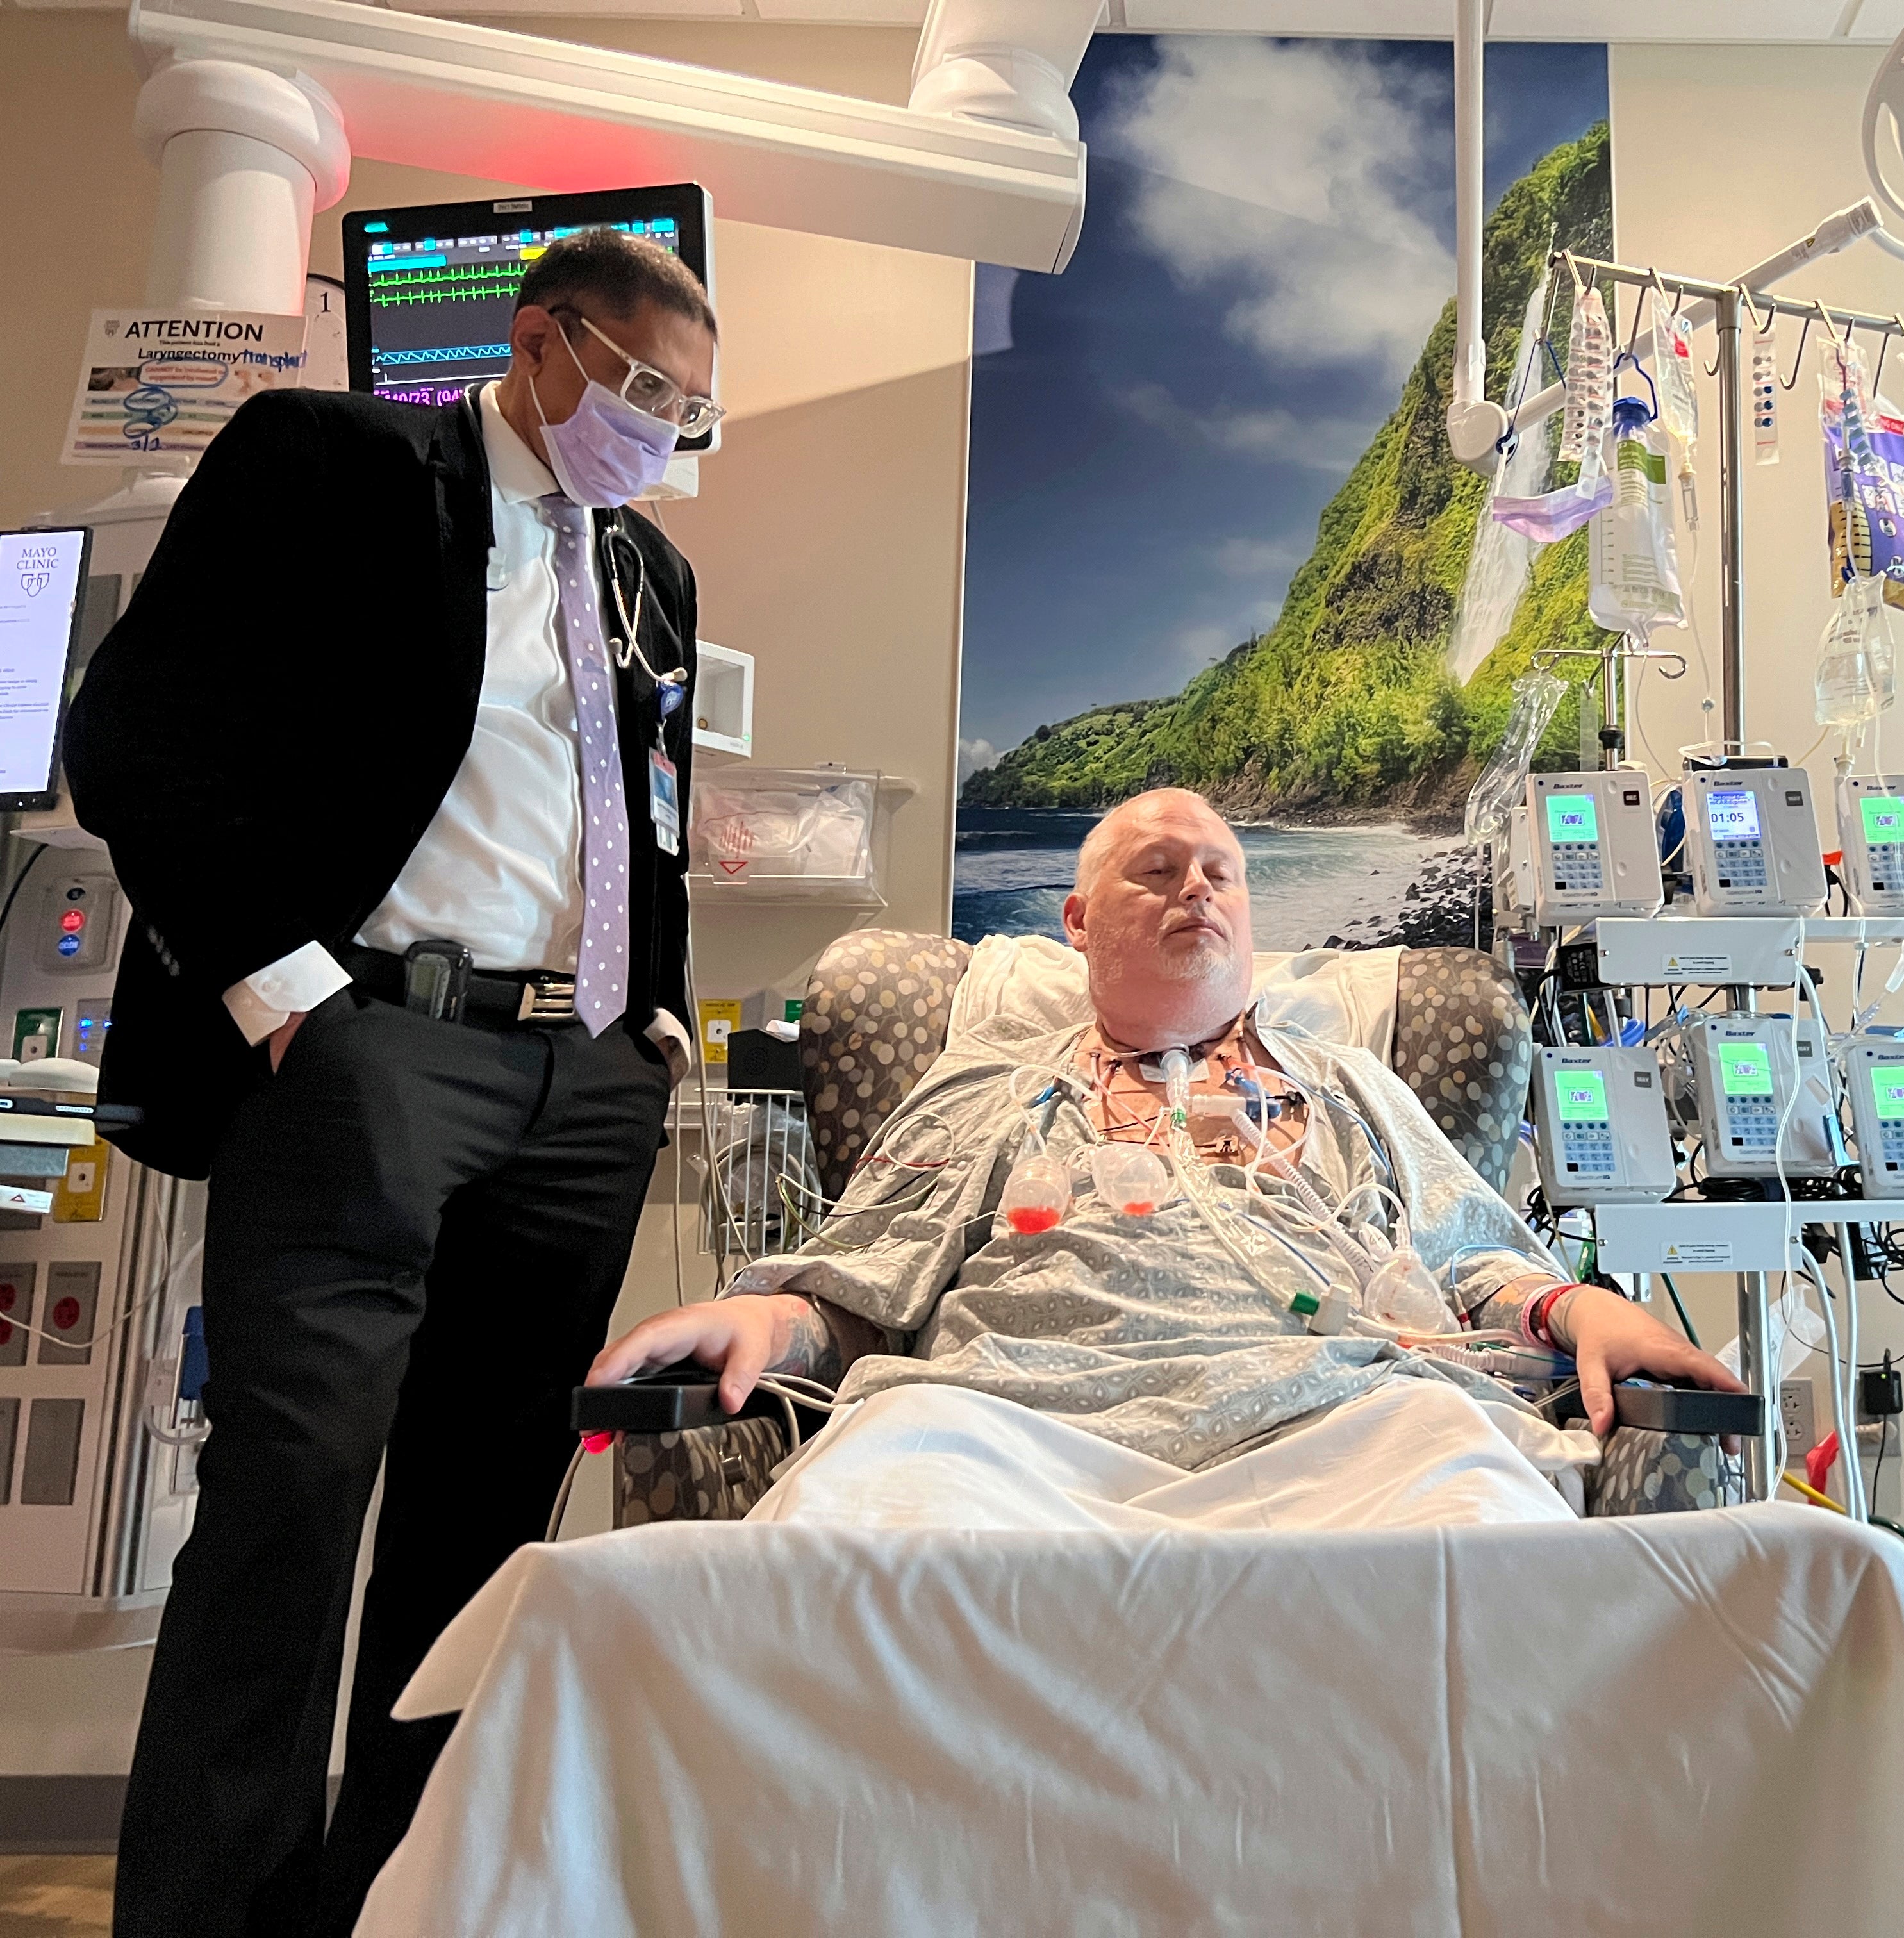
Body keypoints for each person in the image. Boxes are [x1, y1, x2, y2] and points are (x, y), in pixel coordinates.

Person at [65, 227, 718, 1937]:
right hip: (368, 1054)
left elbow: (645, 817)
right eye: (646, 389)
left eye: (691, 415)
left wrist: (655, 1017)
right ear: (545, 344)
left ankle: (406, 1902)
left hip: (576, 1093)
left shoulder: (654, 574)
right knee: (288, 1504)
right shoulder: (337, 464)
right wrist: (283, 989)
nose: (659, 433)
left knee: (483, 1535)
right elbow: (138, 729)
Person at [591, 787, 1731, 1527]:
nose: (1197, 886)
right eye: (1157, 871)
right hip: (1000, 1437)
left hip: (1351, 1424)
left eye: (1221, 873)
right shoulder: (986, 1085)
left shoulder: (1353, 1090)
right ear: (1078, 922)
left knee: (1485, 1526)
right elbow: (859, 1299)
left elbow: (1483, 1271)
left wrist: (1587, 1314)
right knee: (852, 1538)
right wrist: (761, 1320)